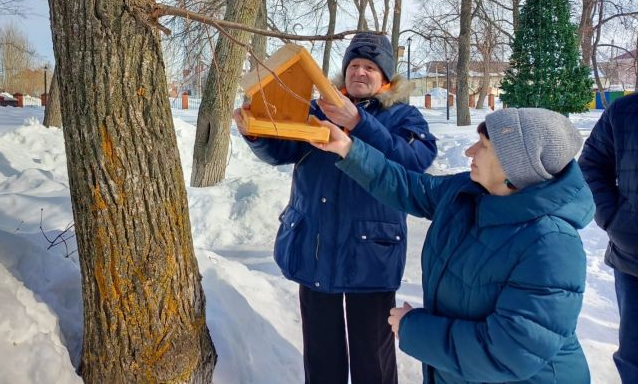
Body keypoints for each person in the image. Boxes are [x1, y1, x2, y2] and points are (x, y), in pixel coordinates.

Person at [313, 107, 594, 383]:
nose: (470, 151)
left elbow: (508, 353)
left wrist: (413, 328)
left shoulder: (552, 246)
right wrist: (349, 149)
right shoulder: (469, 193)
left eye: (484, 145)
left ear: (515, 167)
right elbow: (409, 187)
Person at [233, 33, 437, 384]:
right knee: (321, 355)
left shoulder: (404, 117)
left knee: (372, 356)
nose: (359, 72)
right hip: (315, 246)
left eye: (370, 67)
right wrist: (256, 135)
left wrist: (359, 122)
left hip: (371, 254)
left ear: (386, 77)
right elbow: (283, 151)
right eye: (354, 64)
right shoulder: (316, 109)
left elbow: (415, 162)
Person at [579, 92, 638, 383]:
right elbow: (591, 166)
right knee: (634, 358)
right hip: (634, 261)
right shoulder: (625, 111)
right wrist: (614, 219)